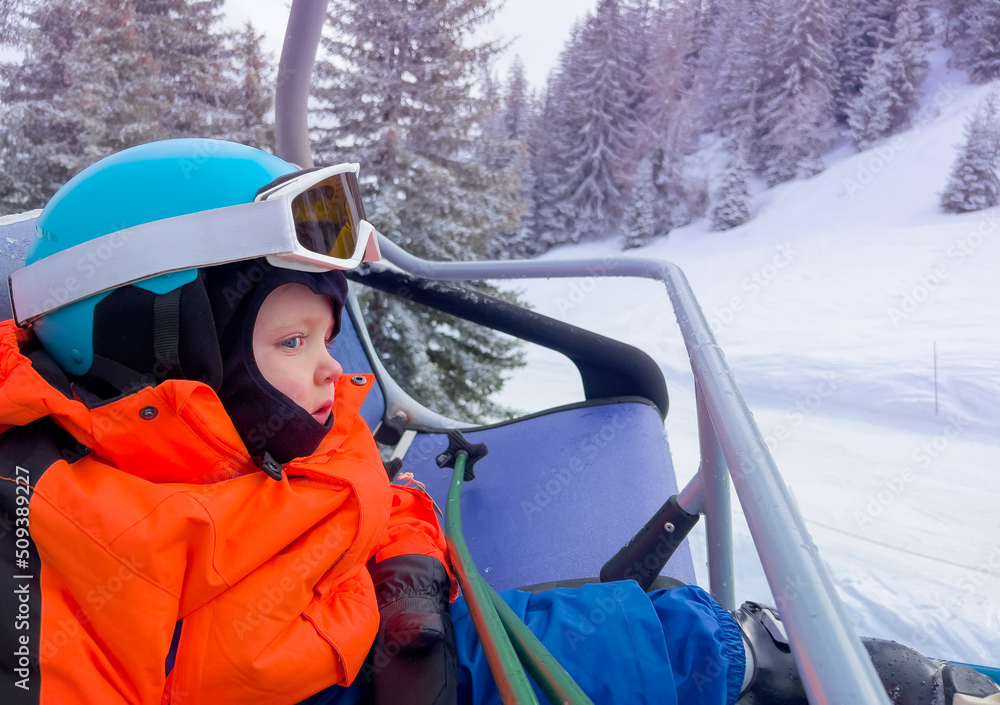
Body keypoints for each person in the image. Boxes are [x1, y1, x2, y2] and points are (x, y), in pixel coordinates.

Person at [0, 139, 995, 705]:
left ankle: (829, 671)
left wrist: (410, 573)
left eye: (325, 338)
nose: (326, 376)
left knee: (635, 639)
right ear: (156, 338)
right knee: (630, 646)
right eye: (290, 343)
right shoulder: (71, 532)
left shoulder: (271, 428)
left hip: (402, 640)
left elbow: (362, 474)